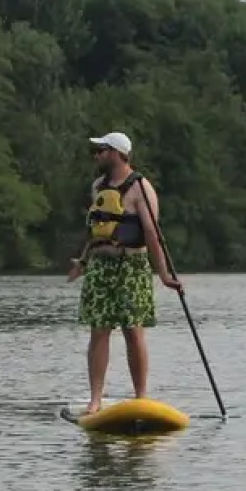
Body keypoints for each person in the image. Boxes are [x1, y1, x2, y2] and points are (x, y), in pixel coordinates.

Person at [67, 131, 182, 415]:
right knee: (99, 331)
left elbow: (153, 236)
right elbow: (95, 229)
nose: (97, 155)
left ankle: (140, 397)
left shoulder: (141, 188)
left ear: (117, 153)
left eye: (102, 150)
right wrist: (82, 262)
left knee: (133, 330)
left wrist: (165, 275)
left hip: (132, 266)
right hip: (101, 267)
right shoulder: (98, 186)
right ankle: (95, 400)